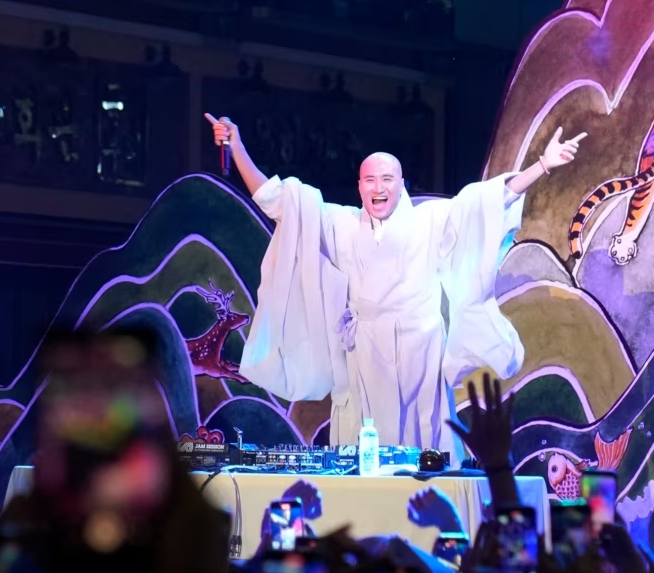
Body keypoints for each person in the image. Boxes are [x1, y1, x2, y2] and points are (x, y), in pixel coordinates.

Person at [206, 113, 587, 454]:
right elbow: (280, 203)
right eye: (370, 180)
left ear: (401, 184)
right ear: (359, 187)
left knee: (423, 441)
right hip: (365, 351)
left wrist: (542, 165)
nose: (378, 188)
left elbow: (487, 201)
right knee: (367, 440)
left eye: (387, 179)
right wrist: (238, 148)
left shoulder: (430, 219)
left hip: (418, 349)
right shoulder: (343, 225)